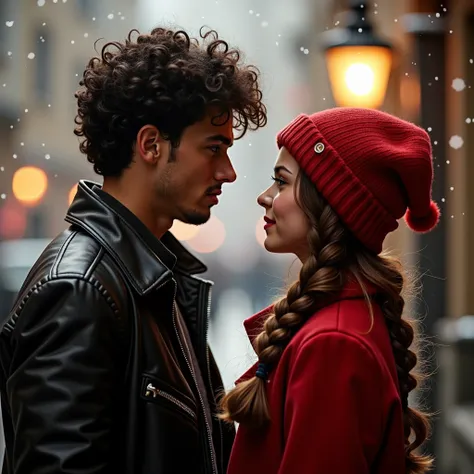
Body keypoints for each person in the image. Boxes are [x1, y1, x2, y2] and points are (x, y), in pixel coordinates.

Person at [0, 27, 266, 474]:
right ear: (150, 145)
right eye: (214, 148)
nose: (229, 172)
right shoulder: (80, 288)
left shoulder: (154, 276)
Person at [220, 107, 438, 474]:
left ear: (329, 201)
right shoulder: (339, 327)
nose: (265, 196)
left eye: (282, 181)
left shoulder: (333, 343)